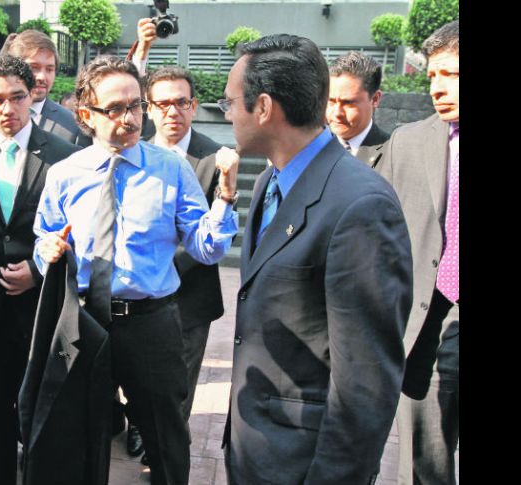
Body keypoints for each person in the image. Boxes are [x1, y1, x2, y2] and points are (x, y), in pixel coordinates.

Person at [33, 55, 239, 485]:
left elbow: (206, 248)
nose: (130, 118)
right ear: (85, 114)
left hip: (151, 324)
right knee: (86, 433)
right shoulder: (65, 176)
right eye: (115, 109)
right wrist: (47, 249)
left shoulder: (171, 168)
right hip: (87, 323)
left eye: (135, 106)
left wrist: (225, 198)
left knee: (166, 436)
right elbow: (44, 238)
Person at [220, 34, 413, 484]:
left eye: (231, 103)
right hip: (257, 448)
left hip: (303, 463)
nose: (227, 114)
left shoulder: (360, 206)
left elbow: (365, 386)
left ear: (264, 107)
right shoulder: (273, 177)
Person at [0, 54, 80, 485]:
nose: (8, 109)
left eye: (17, 98)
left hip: (40, 312)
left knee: (44, 417)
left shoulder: (67, 157)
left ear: (32, 96)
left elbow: (81, 232)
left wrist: (39, 268)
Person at [375, 20, 460, 485]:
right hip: (430, 322)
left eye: (451, 74)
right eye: (432, 76)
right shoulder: (407, 143)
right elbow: (379, 235)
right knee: (427, 465)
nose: (438, 88)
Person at [145, 66, 234, 425]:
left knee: (180, 382)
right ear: (148, 108)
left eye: (181, 102)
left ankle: (168, 447)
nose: (172, 111)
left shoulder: (217, 159)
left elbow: (218, 232)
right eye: (162, 103)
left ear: (194, 106)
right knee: (141, 373)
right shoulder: (133, 154)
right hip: (140, 296)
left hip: (190, 295)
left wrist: (163, 264)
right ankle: (140, 427)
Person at [0, 29, 91, 147]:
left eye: (49, 69)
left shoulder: (73, 125)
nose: (42, 77)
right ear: (12, 68)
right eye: (34, 67)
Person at [327, 51, 389, 167]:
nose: (336, 113)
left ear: (375, 99)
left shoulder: (392, 154)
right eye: (331, 101)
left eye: (348, 103)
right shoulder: (310, 148)